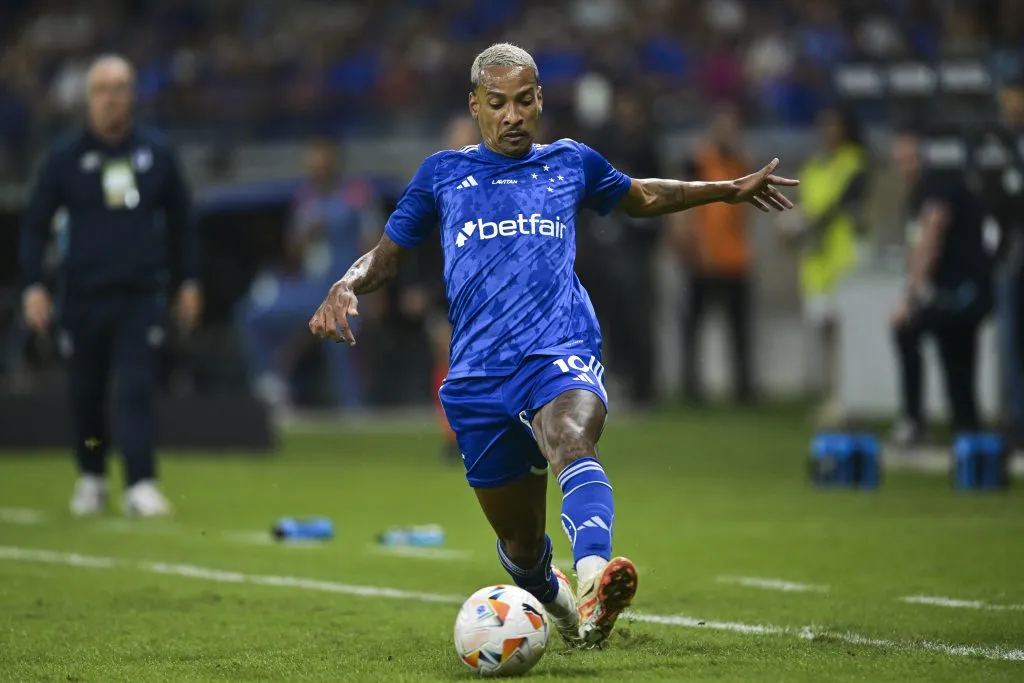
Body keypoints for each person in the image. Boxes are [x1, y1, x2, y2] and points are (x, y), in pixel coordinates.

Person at [308, 43, 798, 648]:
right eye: (497, 105)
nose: (512, 116)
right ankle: (569, 609)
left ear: (540, 100)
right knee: (521, 549)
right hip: (479, 376)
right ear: (476, 107)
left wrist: (725, 190)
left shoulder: (571, 163)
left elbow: (642, 196)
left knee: (570, 435)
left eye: (523, 101)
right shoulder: (441, 175)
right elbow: (387, 255)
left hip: (558, 347)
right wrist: (346, 284)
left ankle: (595, 574)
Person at [19, 55, 200, 517]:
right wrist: (33, 286)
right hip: (81, 296)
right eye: (103, 88)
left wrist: (189, 281)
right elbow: (34, 226)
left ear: (133, 95)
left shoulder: (156, 154)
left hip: (140, 294)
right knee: (86, 391)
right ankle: (92, 474)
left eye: (120, 87)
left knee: (135, 388)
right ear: (88, 98)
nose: (112, 97)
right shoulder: (64, 159)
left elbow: (182, 223)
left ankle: (140, 481)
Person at [237, 138, 374, 409]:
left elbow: (373, 244)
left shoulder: (355, 193)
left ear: (334, 160)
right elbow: (293, 252)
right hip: (310, 289)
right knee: (251, 314)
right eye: (312, 159)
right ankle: (271, 385)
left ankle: (354, 408)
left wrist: (375, 292)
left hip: (347, 291)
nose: (317, 165)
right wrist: (305, 234)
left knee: (342, 333)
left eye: (322, 158)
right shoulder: (304, 197)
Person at [889, 127, 994, 445]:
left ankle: (915, 422)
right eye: (900, 160)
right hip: (959, 292)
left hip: (965, 291)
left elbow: (930, 238)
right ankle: (967, 430)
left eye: (911, 158)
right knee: (957, 357)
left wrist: (910, 296)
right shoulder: (923, 191)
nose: (906, 167)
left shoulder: (939, 186)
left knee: (908, 328)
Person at [777, 107, 868, 426]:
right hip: (817, 261)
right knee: (827, 333)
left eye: (835, 124)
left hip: (844, 258)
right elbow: (804, 204)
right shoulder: (814, 166)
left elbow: (838, 206)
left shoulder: (854, 162)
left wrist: (802, 225)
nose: (829, 131)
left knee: (846, 333)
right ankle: (835, 396)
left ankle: (849, 399)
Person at [671, 103, 755, 404]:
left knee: (739, 329)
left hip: (734, 259)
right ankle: (691, 387)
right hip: (703, 259)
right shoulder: (697, 161)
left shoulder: (739, 162)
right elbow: (682, 207)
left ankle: (744, 388)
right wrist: (687, 246)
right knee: (693, 327)